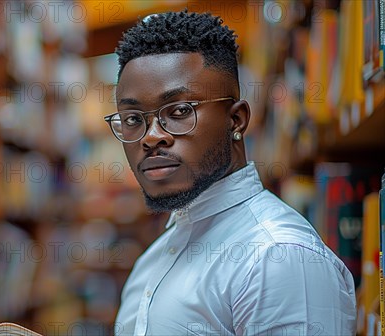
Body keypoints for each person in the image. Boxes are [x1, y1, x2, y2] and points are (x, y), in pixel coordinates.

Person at [104, 10, 356, 335]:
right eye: (133, 118)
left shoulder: (277, 258)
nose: (152, 137)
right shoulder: (151, 264)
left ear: (236, 120)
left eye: (179, 111)